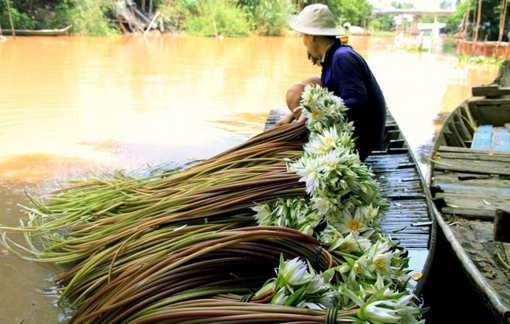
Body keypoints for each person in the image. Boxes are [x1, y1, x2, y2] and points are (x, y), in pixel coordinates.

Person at [277, 3, 386, 161]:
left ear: (311, 36)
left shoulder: (343, 58)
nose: (304, 42)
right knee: (310, 82)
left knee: (295, 92)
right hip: (355, 132)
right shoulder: (333, 55)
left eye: (303, 36)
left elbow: (359, 103)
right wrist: (290, 116)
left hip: (358, 143)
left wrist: (313, 112)